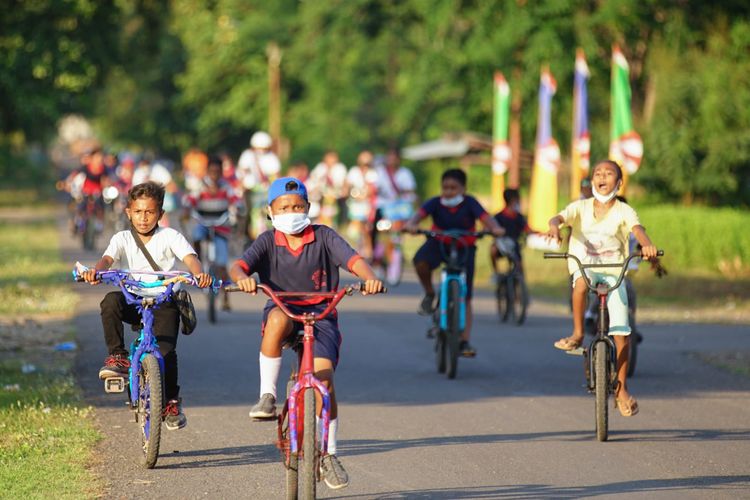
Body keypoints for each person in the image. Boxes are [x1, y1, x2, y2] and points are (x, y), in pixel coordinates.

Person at [229, 177, 384, 490]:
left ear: (308, 208)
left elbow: (355, 261)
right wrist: (243, 278)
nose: (291, 211)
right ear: (271, 211)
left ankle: (329, 454)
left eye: (298, 205)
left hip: (321, 316)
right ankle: (267, 396)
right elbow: (238, 266)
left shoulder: (324, 236)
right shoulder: (267, 241)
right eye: (284, 207)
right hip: (284, 312)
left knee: (324, 381)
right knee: (275, 323)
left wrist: (370, 279)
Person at [80, 181, 213, 430]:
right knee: (110, 302)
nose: (143, 218)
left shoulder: (170, 236)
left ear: (160, 214)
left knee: (166, 352)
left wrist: (199, 274)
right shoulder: (121, 239)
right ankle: (118, 357)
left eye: (150, 212)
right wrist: (95, 272)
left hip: (164, 302)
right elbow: (107, 259)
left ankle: (171, 401)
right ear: (128, 212)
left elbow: (190, 258)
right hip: (133, 301)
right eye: (138, 212)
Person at [546, 160, 658, 418]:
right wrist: (554, 226)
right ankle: (576, 333)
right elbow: (559, 217)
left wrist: (647, 245)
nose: (602, 176)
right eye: (598, 173)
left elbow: (637, 230)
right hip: (585, 266)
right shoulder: (581, 207)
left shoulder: (623, 210)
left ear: (618, 183)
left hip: (614, 270)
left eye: (609, 174)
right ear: (593, 180)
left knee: (622, 334)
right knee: (581, 283)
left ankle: (622, 389)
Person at [403, 169, 505, 357]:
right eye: (445, 188)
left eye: (453, 188)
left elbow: (486, 218)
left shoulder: (471, 203)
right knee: (420, 262)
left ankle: (464, 341)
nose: (449, 192)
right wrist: (411, 225)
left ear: (463, 189)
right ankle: (429, 293)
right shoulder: (434, 202)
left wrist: (495, 228)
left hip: (465, 247)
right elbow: (418, 216)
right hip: (438, 243)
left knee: (466, 296)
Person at [183, 156, 241, 311]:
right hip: (203, 222)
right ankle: (198, 262)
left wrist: (239, 207)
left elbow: (236, 200)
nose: (215, 175)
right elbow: (190, 199)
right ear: (207, 172)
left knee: (222, 264)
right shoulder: (201, 186)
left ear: (222, 172)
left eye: (218, 172)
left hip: (221, 226)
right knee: (196, 236)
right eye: (212, 171)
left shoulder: (226, 187)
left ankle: (226, 297)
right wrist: (187, 209)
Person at [371, 148, 417, 272]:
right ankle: (377, 258)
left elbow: (411, 190)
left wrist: (401, 193)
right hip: (383, 208)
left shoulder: (405, 173)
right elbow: (375, 187)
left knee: (396, 235)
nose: (391, 161)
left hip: (398, 211)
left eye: (394, 158)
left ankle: (395, 257)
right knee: (377, 232)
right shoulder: (381, 172)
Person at [236, 131, 281, 243]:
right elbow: (241, 173)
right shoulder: (248, 155)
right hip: (251, 191)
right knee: (249, 213)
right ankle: (247, 235)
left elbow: (275, 176)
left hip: (266, 191)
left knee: (268, 216)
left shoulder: (271, 158)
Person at [489, 188, 533, 276]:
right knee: (493, 249)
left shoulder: (519, 217)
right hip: (501, 245)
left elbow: (528, 230)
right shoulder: (499, 217)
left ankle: (520, 283)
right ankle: (496, 273)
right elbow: (490, 228)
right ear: (513, 200)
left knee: (519, 266)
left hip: (514, 245)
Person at [345, 150, 380, 258]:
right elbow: (347, 185)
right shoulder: (354, 171)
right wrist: (350, 193)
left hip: (368, 206)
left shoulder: (373, 173)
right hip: (355, 205)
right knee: (356, 230)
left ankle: (369, 253)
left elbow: (373, 189)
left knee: (367, 230)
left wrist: (364, 195)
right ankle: (361, 251)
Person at [308, 150, 349, 228]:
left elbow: (344, 182)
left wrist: (344, 190)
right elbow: (314, 179)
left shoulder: (340, 168)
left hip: (336, 197)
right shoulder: (320, 167)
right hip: (323, 197)